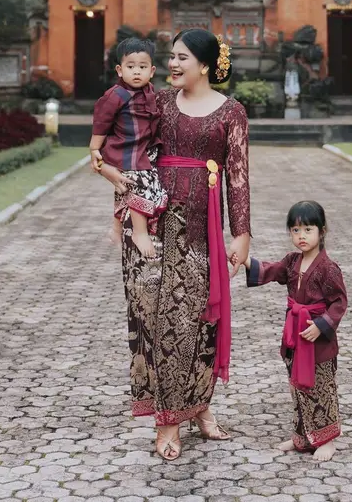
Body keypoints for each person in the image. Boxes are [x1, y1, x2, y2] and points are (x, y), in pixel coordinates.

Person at [95, 29, 251, 462]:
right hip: (149, 223)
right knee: (152, 319)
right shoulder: (153, 101)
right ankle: (167, 420)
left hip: (200, 230)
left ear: (205, 65)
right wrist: (112, 181)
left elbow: (237, 175)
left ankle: (197, 405)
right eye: (171, 57)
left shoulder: (232, 112)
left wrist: (242, 234)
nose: (173, 64)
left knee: (197, 321)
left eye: (183, 58)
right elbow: (117, 143)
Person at [244, 201, 347, 463]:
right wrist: (246, 261)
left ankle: (327, 438)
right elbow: (271, 270)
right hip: (295, 335)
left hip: (318, 340)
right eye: (295, 230)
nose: (301, 236)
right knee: (297, 387)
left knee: (320, 386)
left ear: (322, 231)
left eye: (308, 230)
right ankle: (301, 436)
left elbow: (339, 303)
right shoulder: (292, 262)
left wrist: (321, 325)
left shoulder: (328, 268)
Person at [90, 37, 168, 260]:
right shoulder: (117, 94)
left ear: (152, 71)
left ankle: (116, 227)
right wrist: (94, 148)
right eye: (130, 66)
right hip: (125, 149)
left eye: (142, 67)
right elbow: (101, 121)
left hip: (142, 148)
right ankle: (139, 232)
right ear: (119, 69)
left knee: (125, 186)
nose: (136, 72)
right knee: (137, 183)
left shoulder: (151, 92)